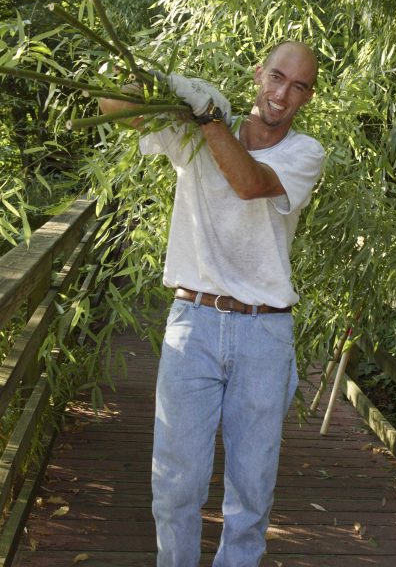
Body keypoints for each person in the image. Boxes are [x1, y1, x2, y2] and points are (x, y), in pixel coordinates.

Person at [100, 40, 324, 567]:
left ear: (307, 98)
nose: (282, 93)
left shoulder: (303, 153)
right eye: (276, 76)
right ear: (257, 75)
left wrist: (206, 117)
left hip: (264, 334)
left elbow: (249, 183)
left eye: (298, 86)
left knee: (250, 494)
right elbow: (112, 108)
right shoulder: (197, 130)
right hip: (192, 323)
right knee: (175, 486)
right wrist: (147, 81)